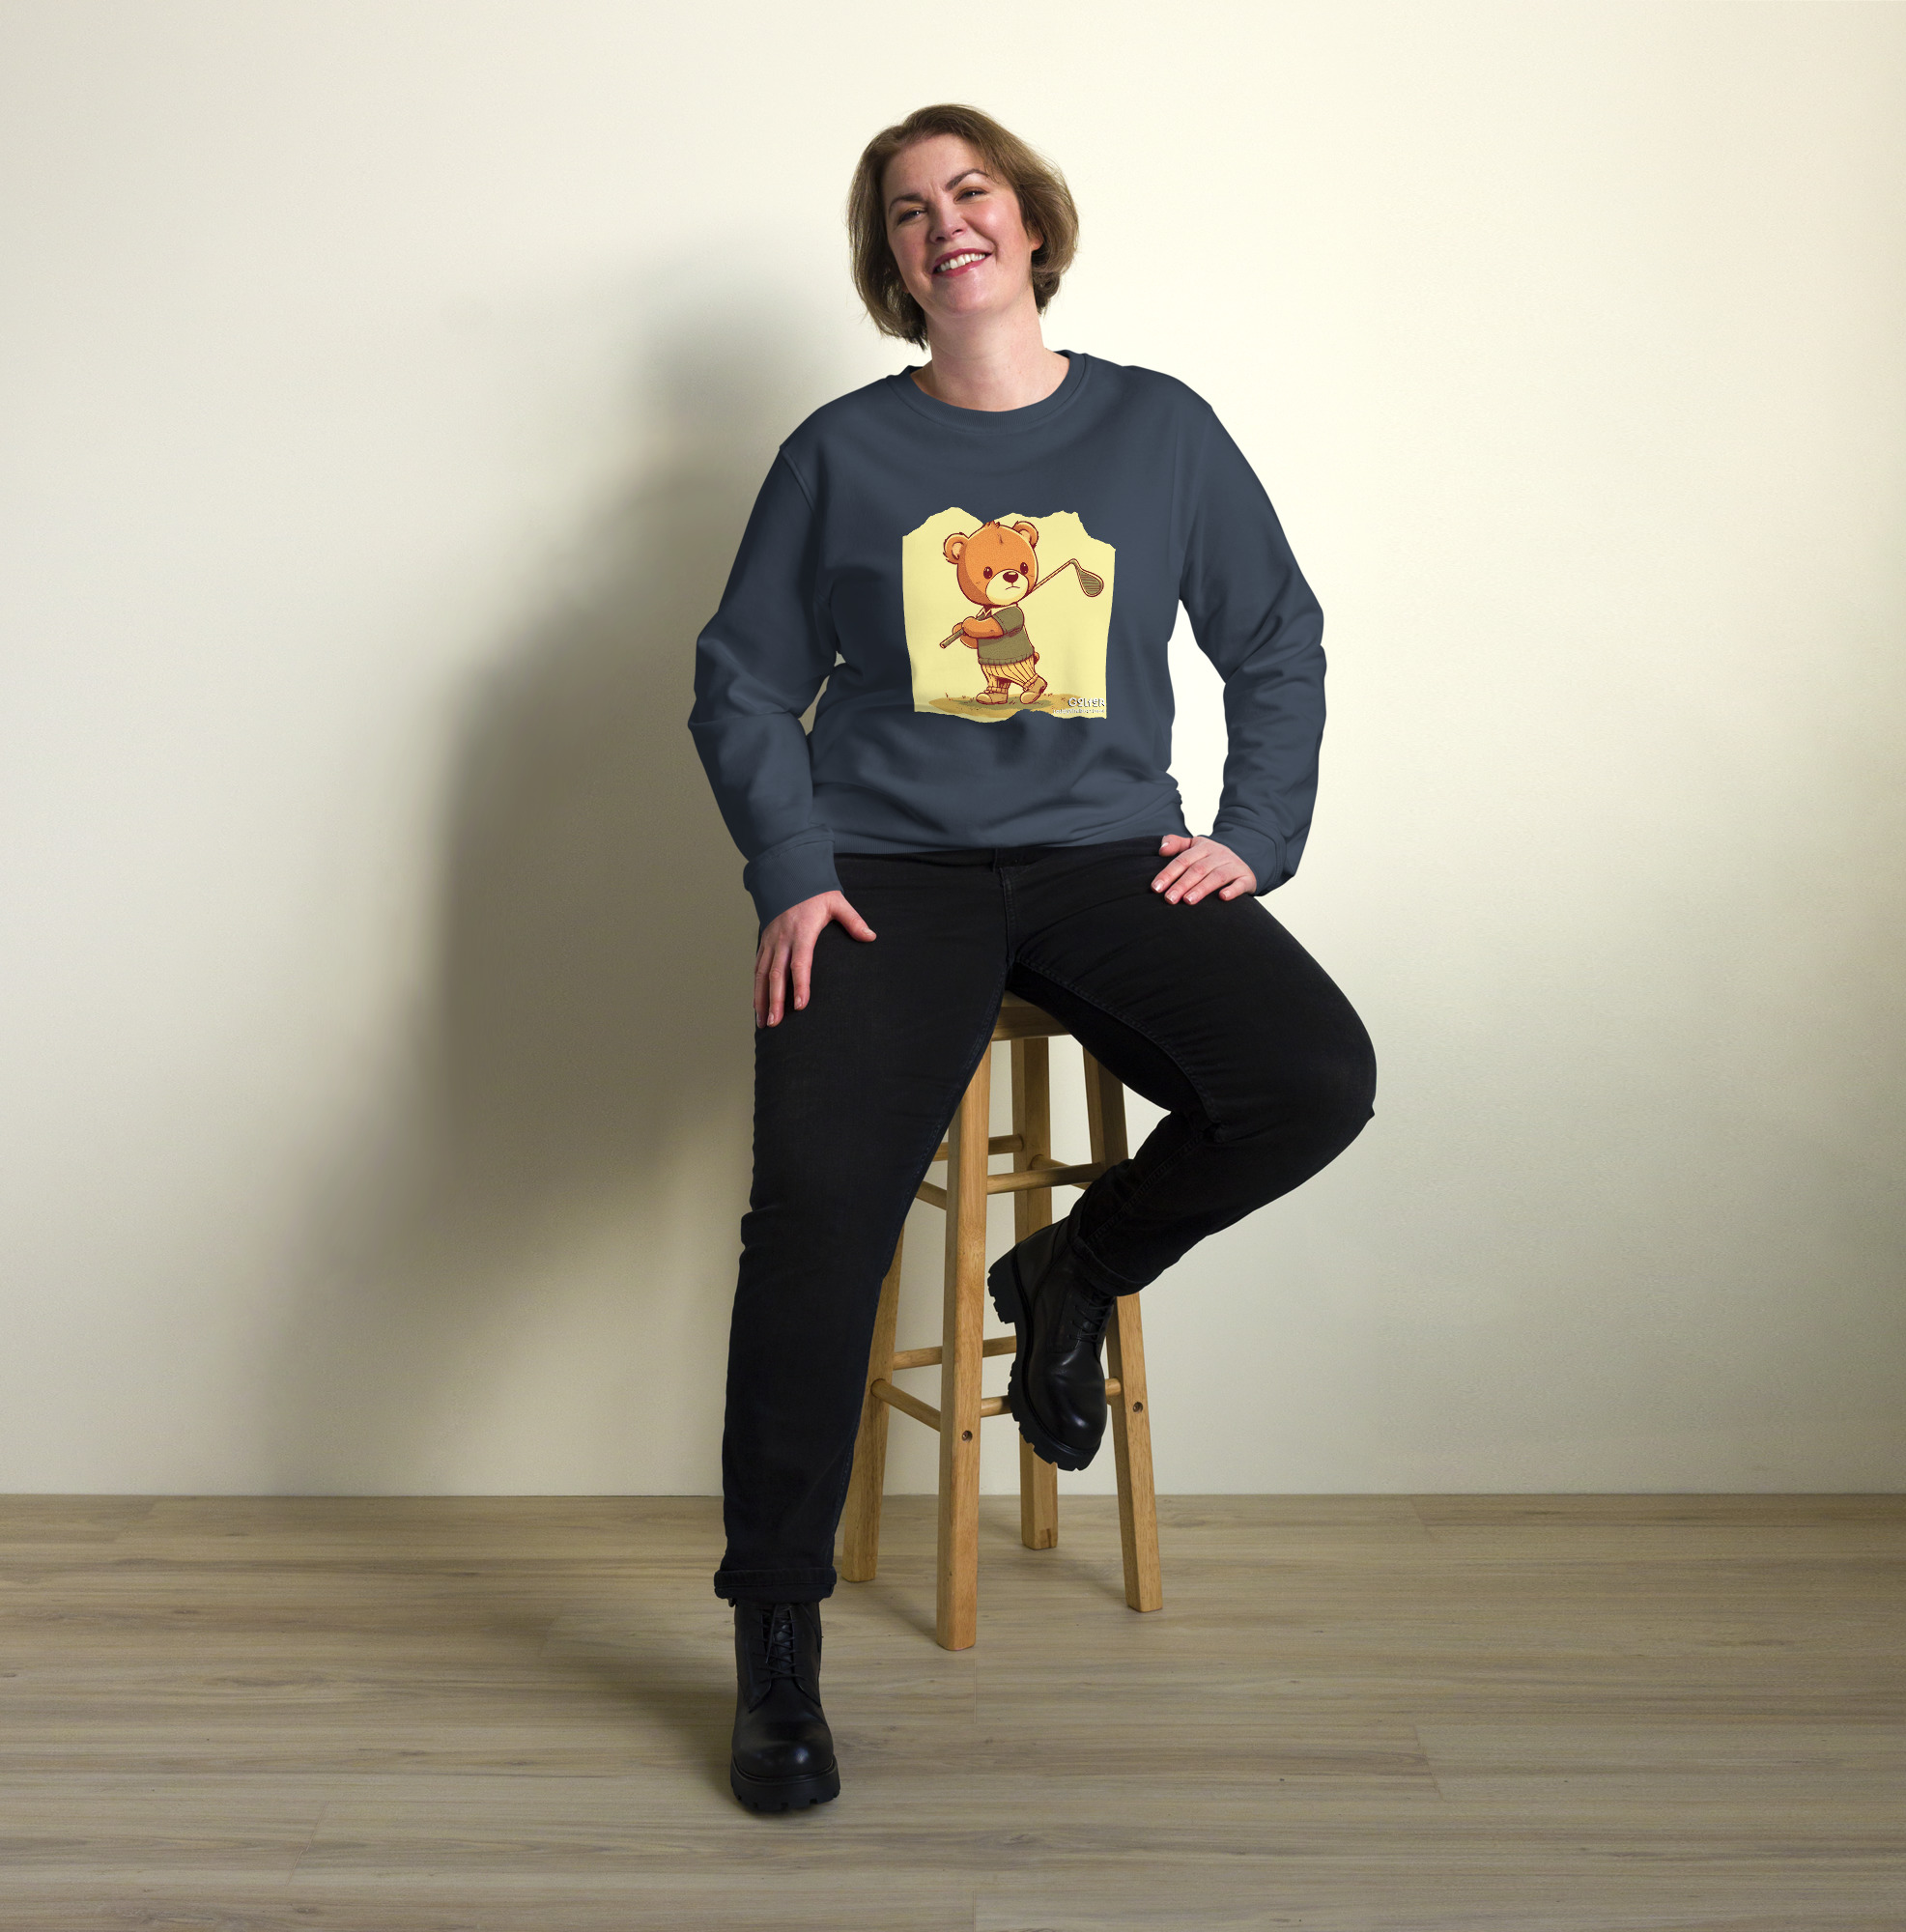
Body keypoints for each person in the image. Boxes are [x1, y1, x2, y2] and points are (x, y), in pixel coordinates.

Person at [687, 102, 1378, 1813]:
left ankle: (1074, 1270)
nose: (946, 223)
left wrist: (1255, 830)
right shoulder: (839, 454)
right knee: (813, 1226)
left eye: (970, 190)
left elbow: (1274, 635)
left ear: (1032, 221)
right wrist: (792, 870)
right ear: (891, 263)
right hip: (884, 878)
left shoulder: (1158, 430)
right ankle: (776, 1641)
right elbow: (742, 681)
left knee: (1310, 1078)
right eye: (907, 211)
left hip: (1102, 857)